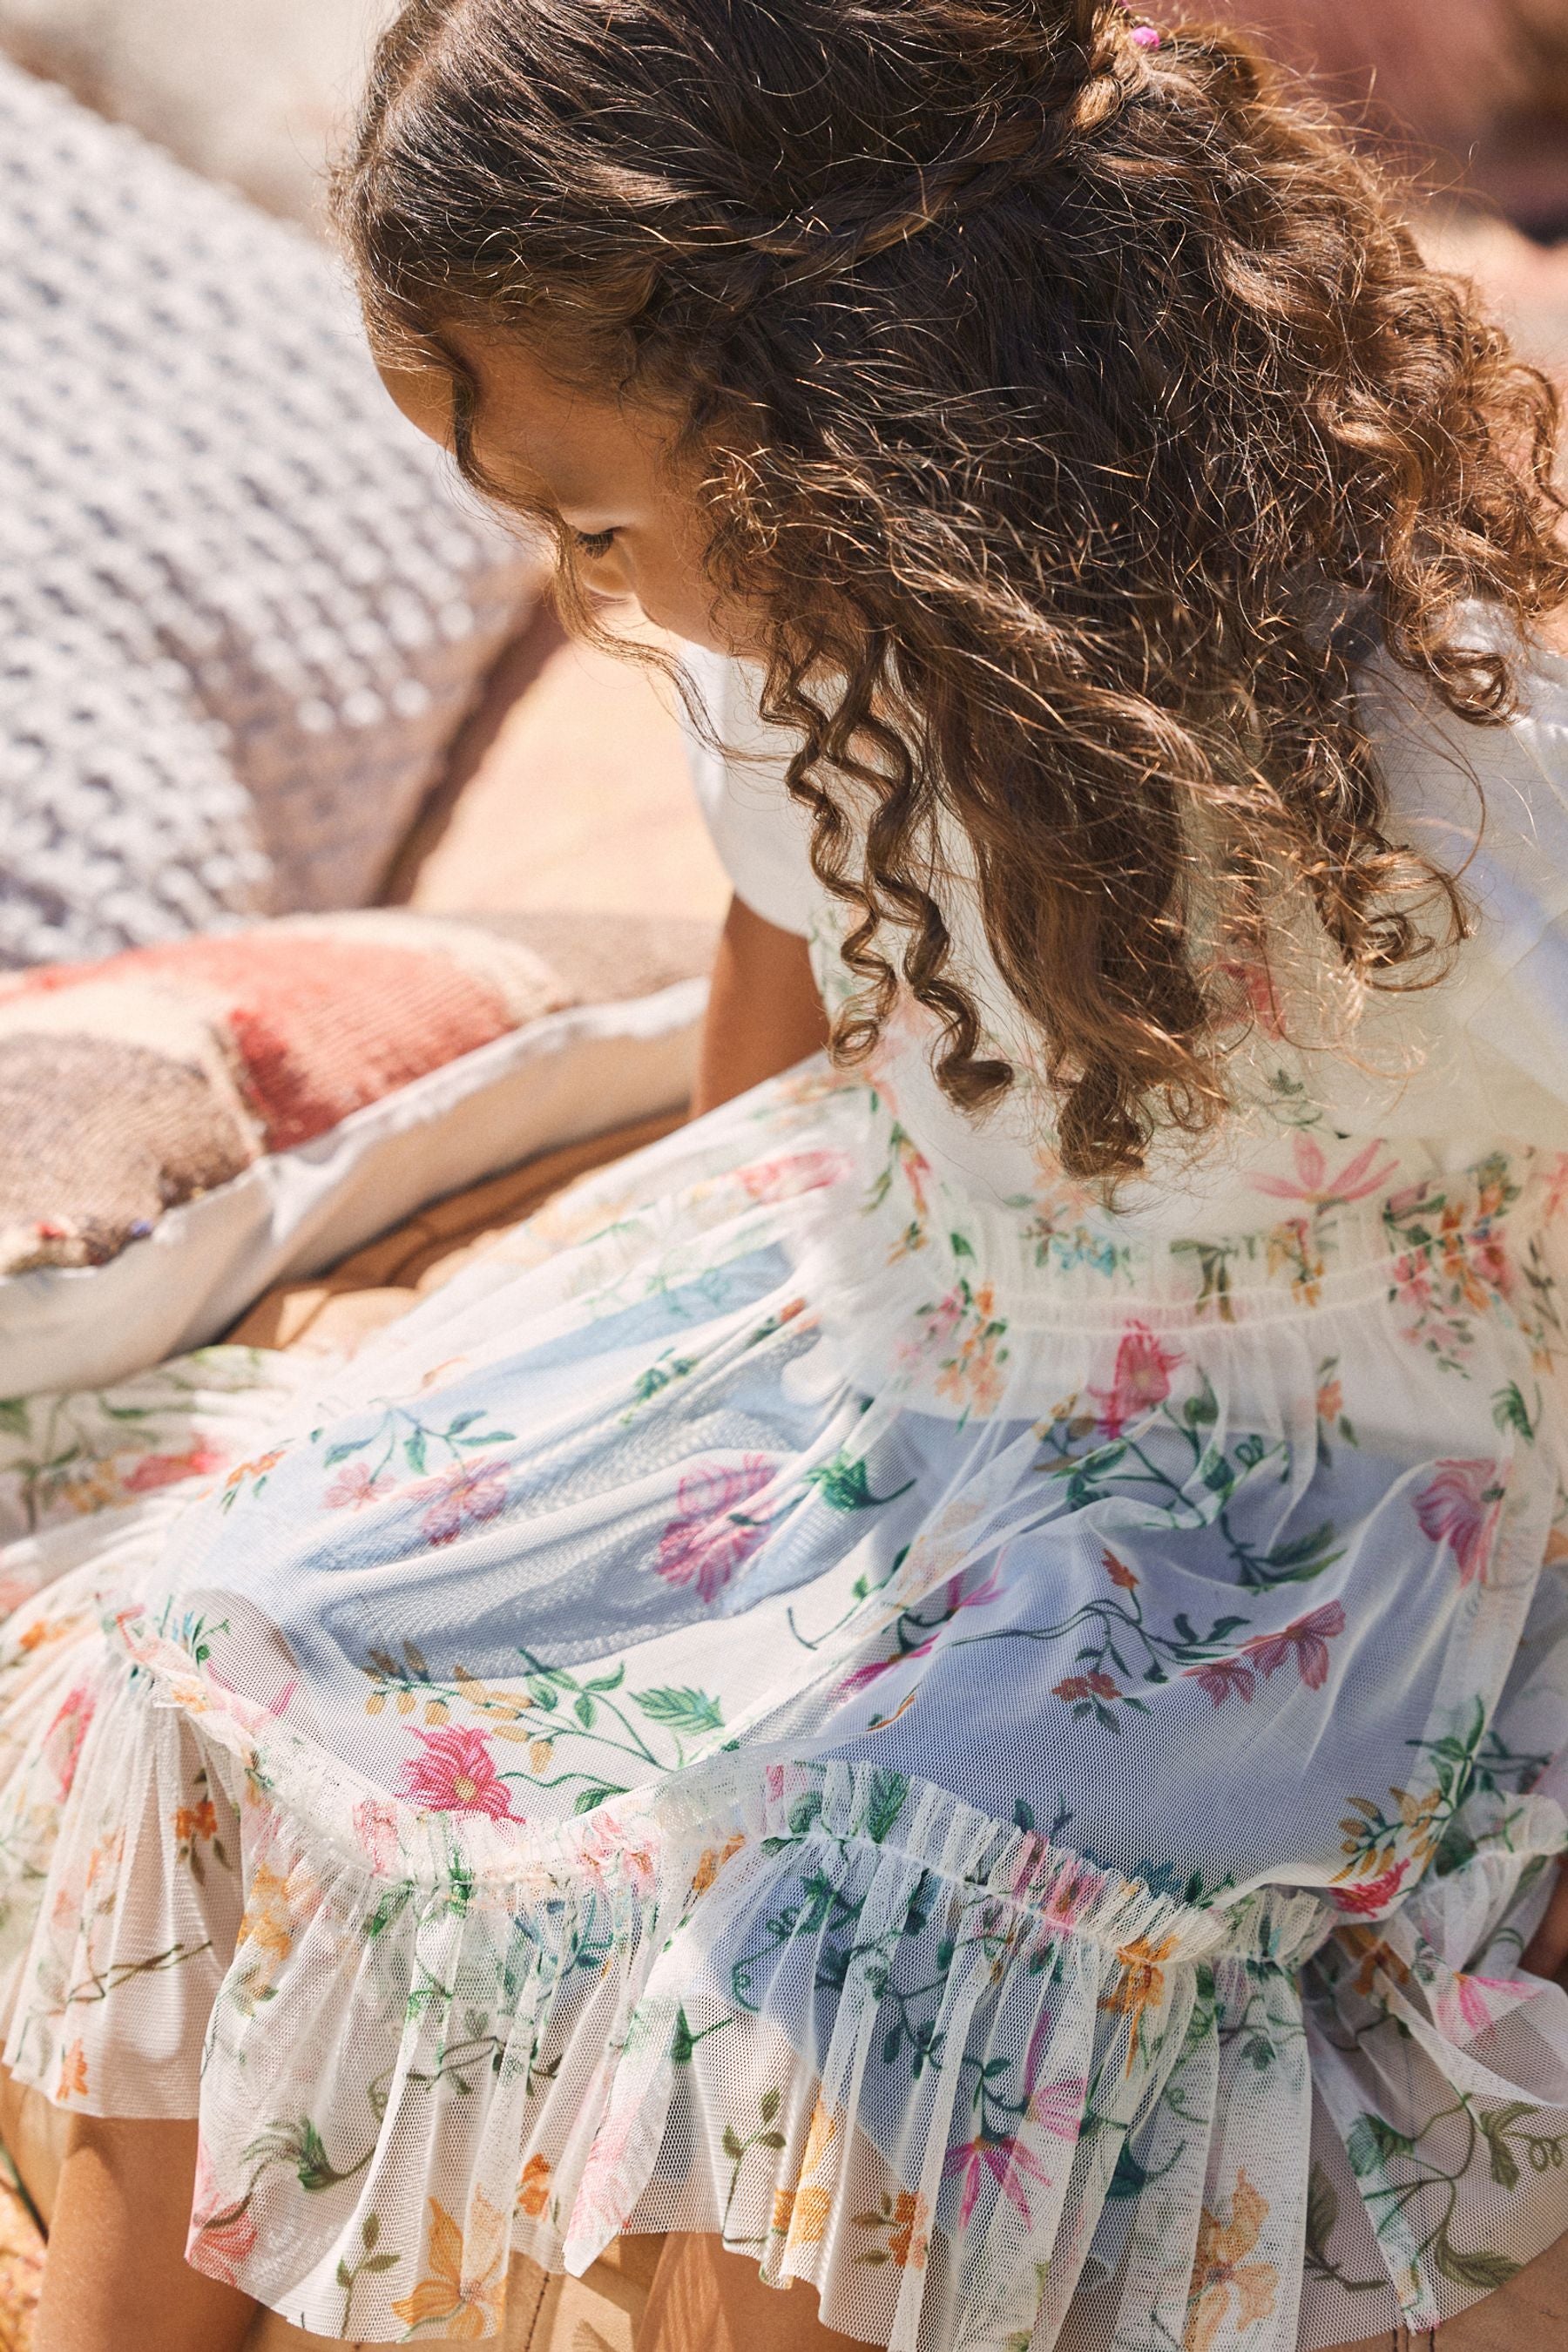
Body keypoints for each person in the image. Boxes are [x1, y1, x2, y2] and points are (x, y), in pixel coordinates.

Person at [7, 2, 1568, 2345]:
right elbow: (793, 921)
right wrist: (652, 1256)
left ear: (854, 403)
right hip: (902, 1298)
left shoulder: (1434, 773)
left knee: (843, 1918)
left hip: (1320, 1458)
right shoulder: (786, 625)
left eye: (597, 519)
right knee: (192, 1635)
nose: (583, 595)